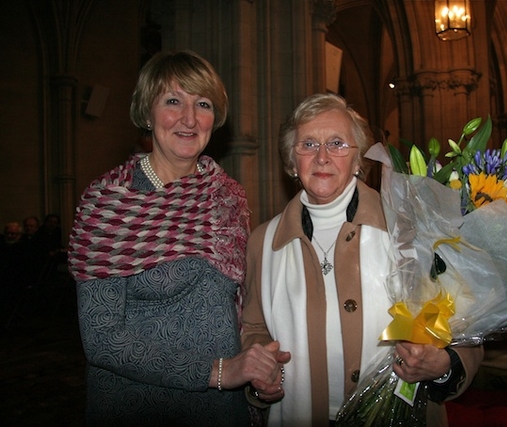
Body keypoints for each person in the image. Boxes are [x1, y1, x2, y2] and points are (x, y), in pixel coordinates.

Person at [68, 50, 289, 426]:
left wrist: (256, 368)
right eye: (173, 101)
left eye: (202, 104)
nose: (189, 119)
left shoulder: (228, 197)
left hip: (223, 406)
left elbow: (238, 307)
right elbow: (102, 339)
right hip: (140, 406)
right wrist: (219, 372)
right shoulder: (109, 203)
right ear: (147, 112)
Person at [241, 93, 484, 425]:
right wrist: (261, 373)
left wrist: (444, 367)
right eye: (308, 145)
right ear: (290, 162)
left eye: (338, 143)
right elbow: (255, 328)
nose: (322, 157)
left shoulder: (412, 228)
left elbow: (466, 327)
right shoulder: (263, 242)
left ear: (358, 161)